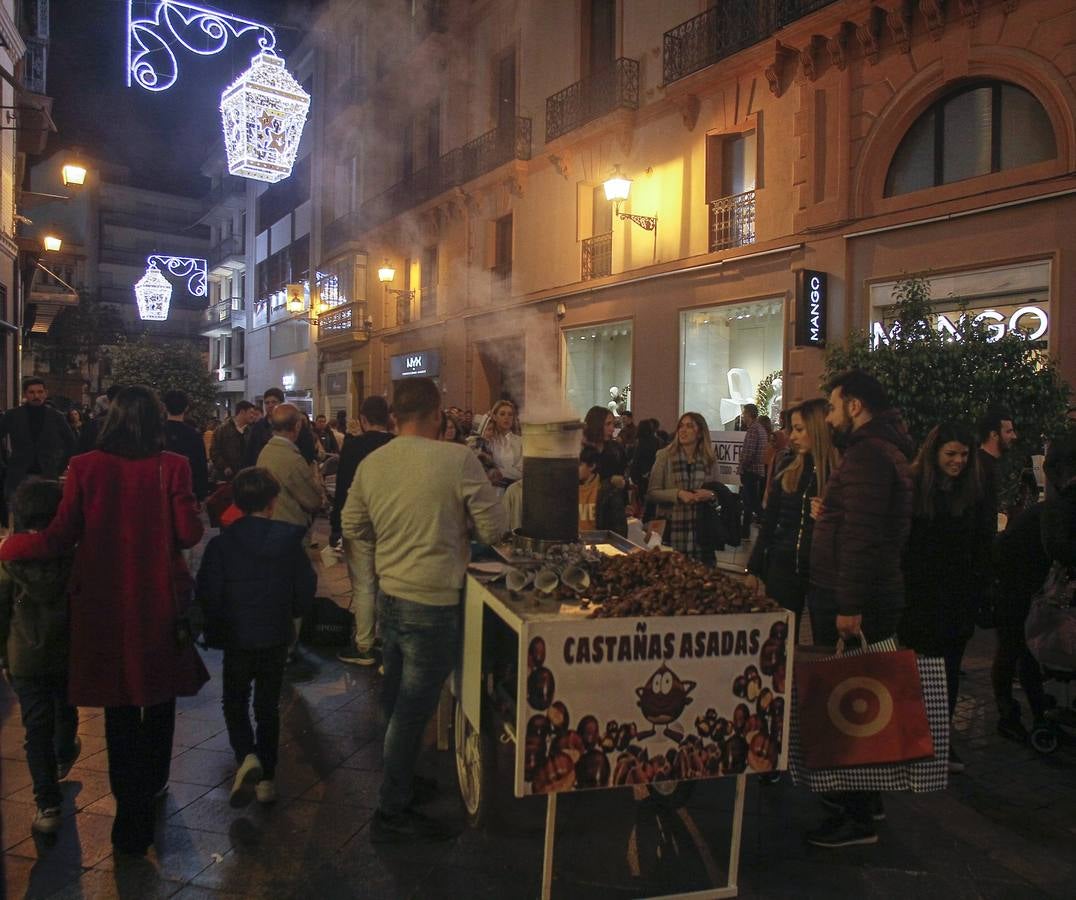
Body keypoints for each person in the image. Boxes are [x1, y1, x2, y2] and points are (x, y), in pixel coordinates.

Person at [0, 386, 208, 855]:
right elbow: (189, 532)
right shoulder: (172, 465)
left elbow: (62, 533)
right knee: (158, 700)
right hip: (158, 600)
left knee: (118, 705)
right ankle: (150, 790)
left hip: (103, 604)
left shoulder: (86, 467)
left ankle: (125, 812)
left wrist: (15, 547)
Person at [340, 377, 506, 842]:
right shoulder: (457, 460)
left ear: (394, 417)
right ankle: (391, 809)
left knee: (396, 703)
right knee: (413, 710)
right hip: (434, 603)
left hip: (391, 597)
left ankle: (403, 784)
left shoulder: (374, 463)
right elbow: (495, 529)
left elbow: (352, 524)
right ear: (437, 414)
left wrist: (393, 541)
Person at [806, 370, 914, 849]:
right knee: (866, 697)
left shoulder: (868, 454)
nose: (827, 418)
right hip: (870, 595)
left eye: (831, 407)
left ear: (853, 405)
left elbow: (863, 537)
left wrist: (848, 606)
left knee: (854, 704)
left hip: (862, 601)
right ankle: (866, 801)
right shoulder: (879, 449)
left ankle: (856, 815)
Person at [197, 467, 316, 807]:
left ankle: (246, 754)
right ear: (273, 502)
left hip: (236, 635)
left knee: (234, 698)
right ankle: (267, 778)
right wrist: (292, 613)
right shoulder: (290, 540)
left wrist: (215, 625)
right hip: (275, 632)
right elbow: (305, 586)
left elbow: (209, 591)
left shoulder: (222, 544)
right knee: (267, 704)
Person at [898, 423, 991, 773]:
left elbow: (981, 542)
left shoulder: (973, 492)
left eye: (965, 455)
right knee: (917, 668)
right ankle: (911, 738)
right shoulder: (915, 487)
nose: (958, 461)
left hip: (956, 597)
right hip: (920, 595)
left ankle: (939, 738)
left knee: (949, 670)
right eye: (951, 454)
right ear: (935, 452)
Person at [0, 479, 80, 835]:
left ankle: (47, 804)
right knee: (66, 709)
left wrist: (4, 656)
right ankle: (64, 753)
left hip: (25, 657)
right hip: (68, 650)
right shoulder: (73, 553)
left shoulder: (8, 558)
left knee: (36, 728)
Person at [992, 434, 1076, 742]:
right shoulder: (1060, 504)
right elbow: (1058, 547)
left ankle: (1038, 711)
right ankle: (1012, 714)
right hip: (1014, 583)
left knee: (1023, 651)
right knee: (1015, 648)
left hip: (1027, 583)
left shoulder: (1060, 501)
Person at [745, 399, 836, 639]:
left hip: (822, 573)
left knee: (826, 645)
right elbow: (770, 521)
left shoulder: (837, 473)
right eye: (791, 429)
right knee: (781, 641)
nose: (791, 436)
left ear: (816, 430)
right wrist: (753, 568)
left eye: (799, 429)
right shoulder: (788, 467)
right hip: (783, 567)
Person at [333, 396, 394, 666]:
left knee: (364, 585)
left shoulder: (353, 446)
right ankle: (384, 637)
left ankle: (364, 645)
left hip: (359, 524)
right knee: (385, 582)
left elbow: (344, 486)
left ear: (363, 419)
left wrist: (336, 525)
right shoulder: (396, 446)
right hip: (390, 524)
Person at [646, 412, 717, 561]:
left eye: (689, 426)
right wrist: (677, 494)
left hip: (701, 530)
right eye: (681, 426)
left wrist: (709, 495)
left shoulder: (709, 458)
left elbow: (716, 492)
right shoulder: (665, 456)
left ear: (700, 432)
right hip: (671, 528)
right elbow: (652, 493)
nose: (683, 430)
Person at [0, 378, 76, 514]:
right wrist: (4, 464)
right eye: (32, 392)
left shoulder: (56, 416)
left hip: (47, 473)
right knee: (20, 517)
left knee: (46, 517)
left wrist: (60, 466)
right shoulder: (12, 415)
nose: (36, 396)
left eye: (40, 392)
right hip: (19, 473)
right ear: (25, 394)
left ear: (45, 393)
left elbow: (71, 443)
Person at [256, 404, 325, 530]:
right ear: (297, 426)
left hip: (268, 524)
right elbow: (312, 500)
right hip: (289, 528)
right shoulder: (292, 458)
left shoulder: (265, 451)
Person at [163, 390, 210, 502]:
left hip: (161, 488)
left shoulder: (156, 432)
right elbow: (201, 465)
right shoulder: (194, 434)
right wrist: (201, 493)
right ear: (186, 408)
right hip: (187, 488)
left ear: (164, 407)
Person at [977, 406, 1017, 529]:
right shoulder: (982, 467)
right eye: (1008, 431)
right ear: (994, 435)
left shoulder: (985, 463)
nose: (1014, 436)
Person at [578, 445, 628, 535]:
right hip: (575, 544)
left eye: (580, 465)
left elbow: (619, 527)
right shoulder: (569, 489)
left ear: (592, 466)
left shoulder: (608, 491)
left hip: (598, 543)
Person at [738, 403, 767, 539]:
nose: (743, 416)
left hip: (750, 470)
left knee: (750, 501)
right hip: (757, 470)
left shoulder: (753, 430)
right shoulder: (760, 428)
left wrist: (742, 467)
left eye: (744, 413)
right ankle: (745, 531)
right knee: (751, 501)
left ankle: (749, 530)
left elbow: (749, 452)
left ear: (749, 414)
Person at [211, 401, 256, 482]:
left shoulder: (251, 431)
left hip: (246, 476)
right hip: (226, 477)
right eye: (251, 413)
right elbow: (214, 451)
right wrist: (225, 466)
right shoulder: (222, 430)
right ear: (242, 412)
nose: (253, 416)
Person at [485, 399, 523, 490]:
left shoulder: (521, 442)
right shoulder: (490, 441)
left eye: (510, 414)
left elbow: (521, 471)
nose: (507, 418)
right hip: (493, 490)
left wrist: (498, 472)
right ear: (494, 417)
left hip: (515, 489)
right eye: (502, 414)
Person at [630, 418, 661, 520]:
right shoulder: (658, 442)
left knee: (643, 503)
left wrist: (634, 477)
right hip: (655, 474)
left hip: (643, 476)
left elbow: (636, 461)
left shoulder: (640, 443)